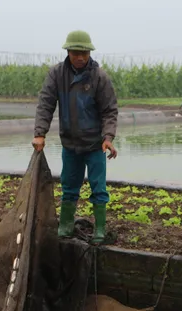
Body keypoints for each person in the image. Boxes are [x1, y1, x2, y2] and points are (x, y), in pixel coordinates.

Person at [32, 30, 119, 245]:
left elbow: (109, 110)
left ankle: (99, 228)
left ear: (89, 52)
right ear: (68, 51)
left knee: (99, 188)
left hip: (95, 145)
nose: (80, 57)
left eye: (84, 53)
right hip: (70, 144)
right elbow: (45, 104)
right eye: (76, 52)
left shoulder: (99, 77)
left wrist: (108, 137)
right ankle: (66, 225)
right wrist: (39, 134)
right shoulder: (57, 75)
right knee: (69, 186)